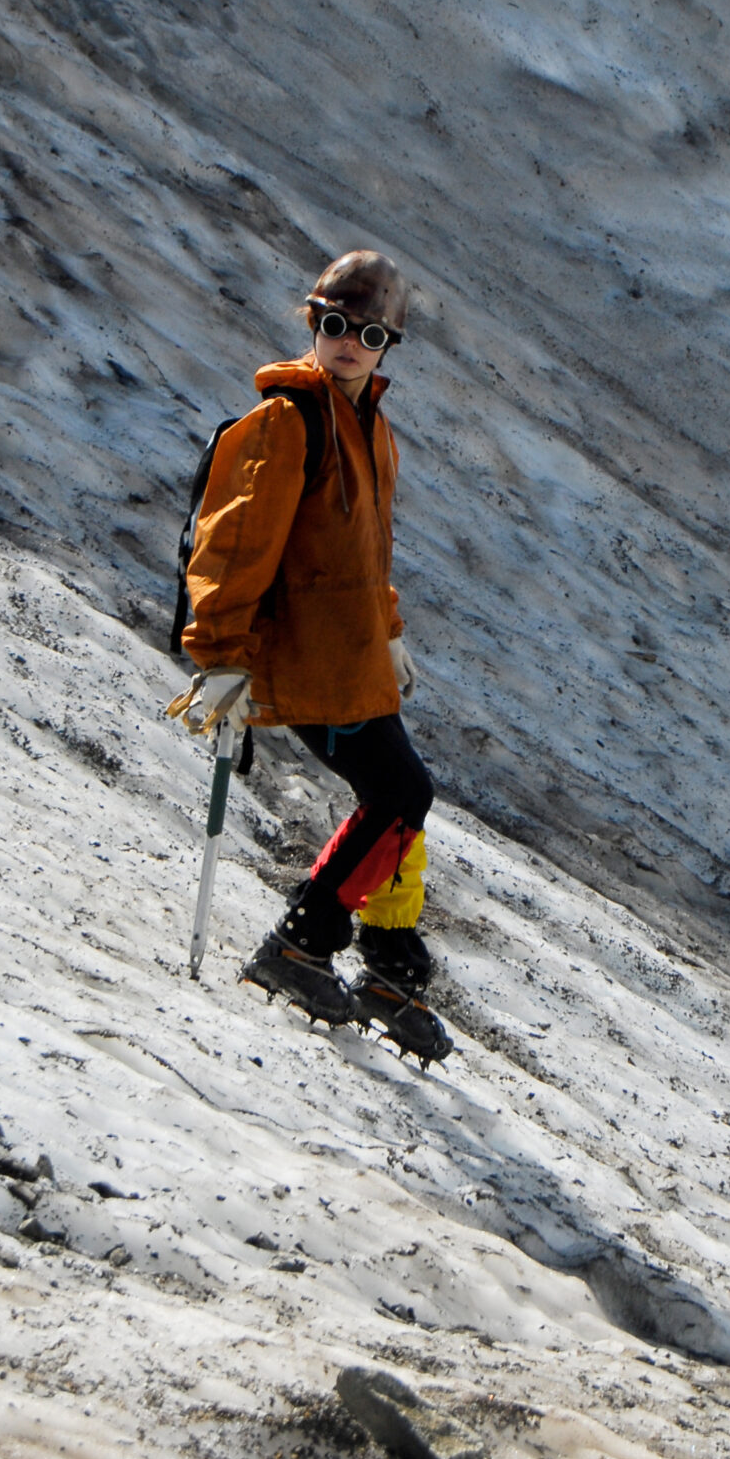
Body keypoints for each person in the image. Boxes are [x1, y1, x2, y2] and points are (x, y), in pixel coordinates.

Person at [169, 250, 442, 1047]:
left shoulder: (373, 429)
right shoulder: (284, 422)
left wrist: (388, 631)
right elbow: (234, 545)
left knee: (400, 796)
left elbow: (370, 552)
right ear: (311, 324)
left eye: (368, 332)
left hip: (352, 654)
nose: (348, 343)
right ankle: (308, 941)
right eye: (333, 326)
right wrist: (218, 654)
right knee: (400, 792)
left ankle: (385, 950)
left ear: (390, 345)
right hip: (301, 656)